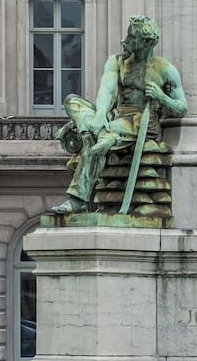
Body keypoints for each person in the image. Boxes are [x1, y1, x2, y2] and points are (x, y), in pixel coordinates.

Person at [47, 15, 189, 215]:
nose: (126, 40)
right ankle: (92, 133)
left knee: (103, 137)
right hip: (113, 117)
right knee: (73, 102)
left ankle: (78, 198)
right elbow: (106, 89)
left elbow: (182, 107)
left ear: (146, 42)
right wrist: (101, 114)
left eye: (132, 38)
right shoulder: (117, 61)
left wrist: (161, 97)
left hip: (139, 121)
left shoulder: (165, 70)